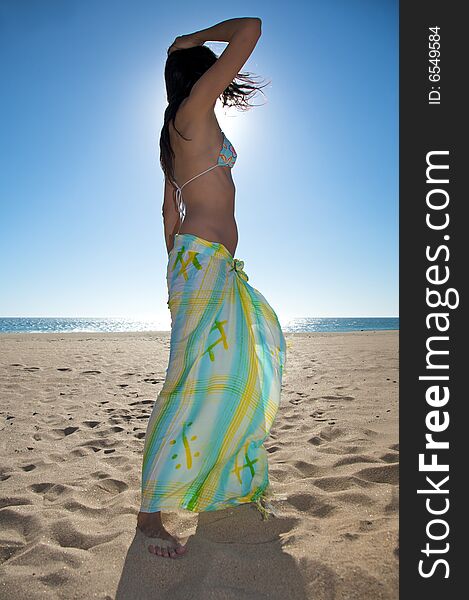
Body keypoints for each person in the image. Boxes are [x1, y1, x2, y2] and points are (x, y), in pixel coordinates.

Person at [136, 17, 286, 559]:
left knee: (234, 369)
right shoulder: (191, 111)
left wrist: (177, 267)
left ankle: (222, 485)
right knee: (186, 383)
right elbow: (251, 27)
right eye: (211, 71)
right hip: (202, 264)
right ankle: (149, 516)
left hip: (206, 264)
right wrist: (194, 39)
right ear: (199, 76)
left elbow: (168, 210)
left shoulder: (183, 128)